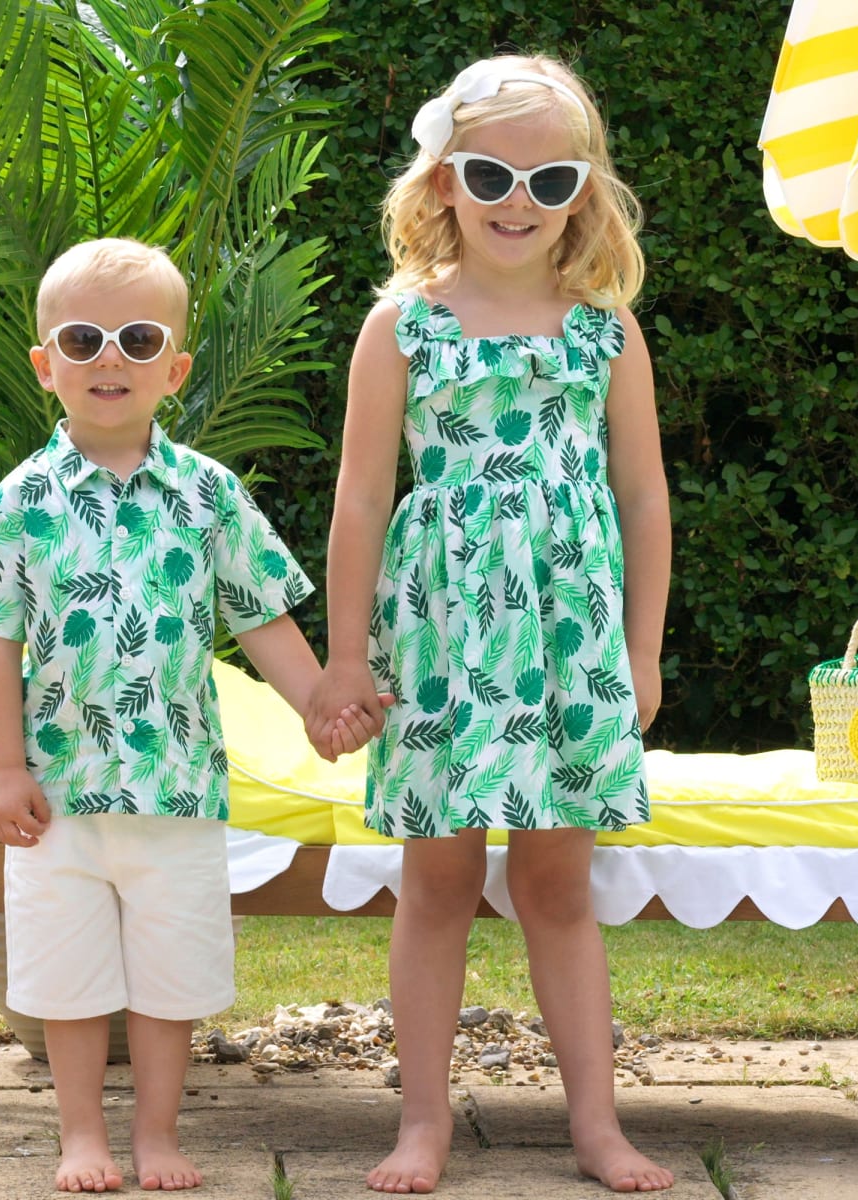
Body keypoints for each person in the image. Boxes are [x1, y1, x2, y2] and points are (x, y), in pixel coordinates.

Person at [0, 237, 386, 1193]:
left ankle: (157, 1134)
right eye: (83, 340)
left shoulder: (208, 494)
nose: (110, 359)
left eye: (138, 340)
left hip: (177, 791)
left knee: (170, 976)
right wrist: (5, 769)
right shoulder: (17, 503)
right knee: (67, 980)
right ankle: (80, 1137)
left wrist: (318, 704)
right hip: (59, 794)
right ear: (45, 364)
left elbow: (261, 617)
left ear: (174, 369)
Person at [306, 55, 673, 1194]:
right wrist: (347, 654)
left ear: (583, 195)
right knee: (439, 883)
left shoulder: (605, 332)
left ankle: (596, 1127)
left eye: (550, 179)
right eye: (490, 174)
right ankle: (423, 1122)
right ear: (443, 181)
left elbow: (643, 496)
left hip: (569, 639)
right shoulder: (403, 327)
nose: (518, 199)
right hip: (443, 637)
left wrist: (642, 650)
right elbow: (361, 497)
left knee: (559, 887)